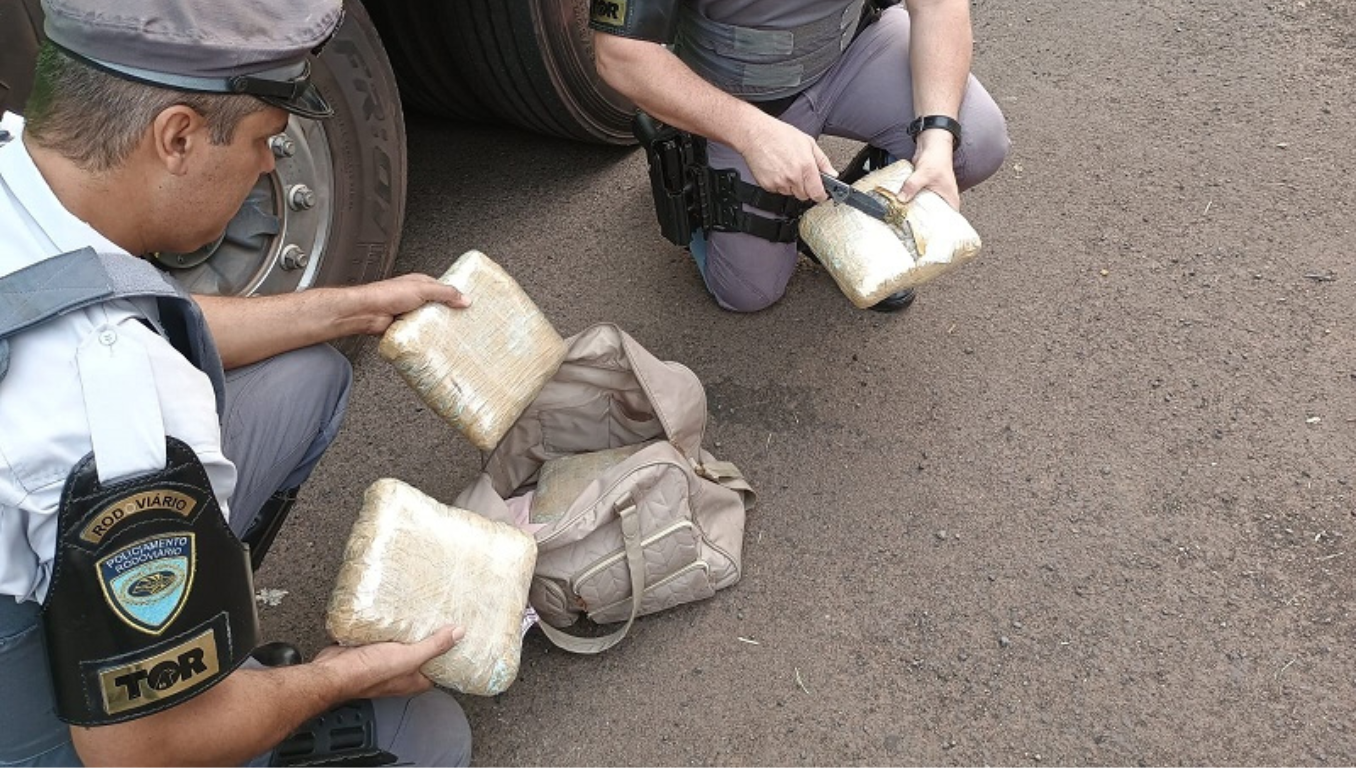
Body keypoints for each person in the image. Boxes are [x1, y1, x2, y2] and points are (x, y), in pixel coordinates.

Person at [0, 0, 476, 765]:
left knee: (306, 376)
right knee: (425, 736)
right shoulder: (118, 406)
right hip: (68, 731)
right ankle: (168, 665)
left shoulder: (18, 173)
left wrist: (353, 307)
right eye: (263, 140)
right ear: (178, 137)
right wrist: (333, 679)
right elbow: (140, 752)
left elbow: (105, 303)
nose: (266, 166)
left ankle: (170, 629)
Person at [592, 0, 1011, 313]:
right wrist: (752, 134)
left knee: (972, 145)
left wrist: (937, 138)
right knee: (747, 292)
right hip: (735, 95)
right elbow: (620, 55)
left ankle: (846, 218)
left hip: (851, 51)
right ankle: (679, 152)